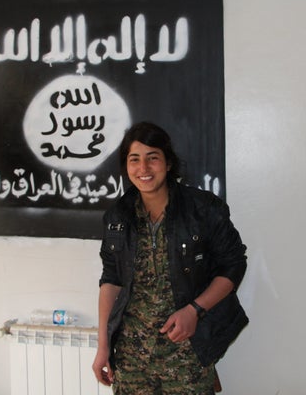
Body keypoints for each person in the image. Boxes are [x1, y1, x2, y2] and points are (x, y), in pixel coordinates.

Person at [92, 121, 248, 394]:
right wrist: (103, 345)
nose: (143, 169)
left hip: (188, 354)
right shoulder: (117, 217)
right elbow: (111, 280)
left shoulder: (203, 209)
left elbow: (233, 265)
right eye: (134, 160)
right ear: (126, 167)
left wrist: (195, 310)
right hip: (132, 358)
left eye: (152, 158)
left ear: (168, 163)